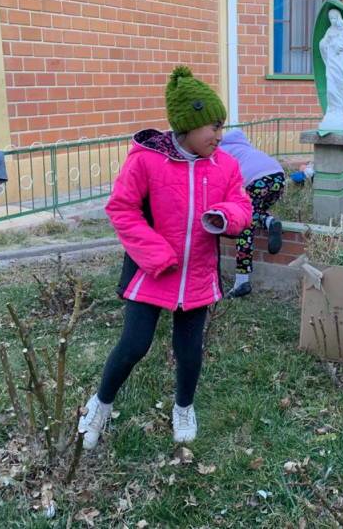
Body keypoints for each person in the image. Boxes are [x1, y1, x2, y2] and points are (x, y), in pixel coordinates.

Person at [78, 66, 252, 449]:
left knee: (189, 351)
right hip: (153, 270)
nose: (219, 135)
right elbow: (122, 208)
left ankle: (184, 408)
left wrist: (226, 216)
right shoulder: (146, 161)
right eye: (213, 127)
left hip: (197, 273)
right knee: (134, 344)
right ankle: (99, 405)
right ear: (187, 126)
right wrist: (155, 253)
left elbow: (242, 204)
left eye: (222, 126)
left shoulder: (225, 165)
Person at [219, 129, 285, 298]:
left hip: (255, 181)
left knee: (245, 224)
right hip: (279, 177)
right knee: (254, 213)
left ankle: (242, 282)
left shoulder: (222, 150)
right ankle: (270, 222)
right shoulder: (245, 147)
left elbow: (222, 180)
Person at [319, 9, 343, 131]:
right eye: (331, 18)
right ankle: (332, 111)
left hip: (342, 62)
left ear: (338, 18)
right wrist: (326, 43)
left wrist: (342, 47)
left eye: (334, 18)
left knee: (341, 84)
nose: (332, 21)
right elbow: (323, 44)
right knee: (331, 87)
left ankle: (340, 111)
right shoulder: (329, 31)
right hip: (332, 63)